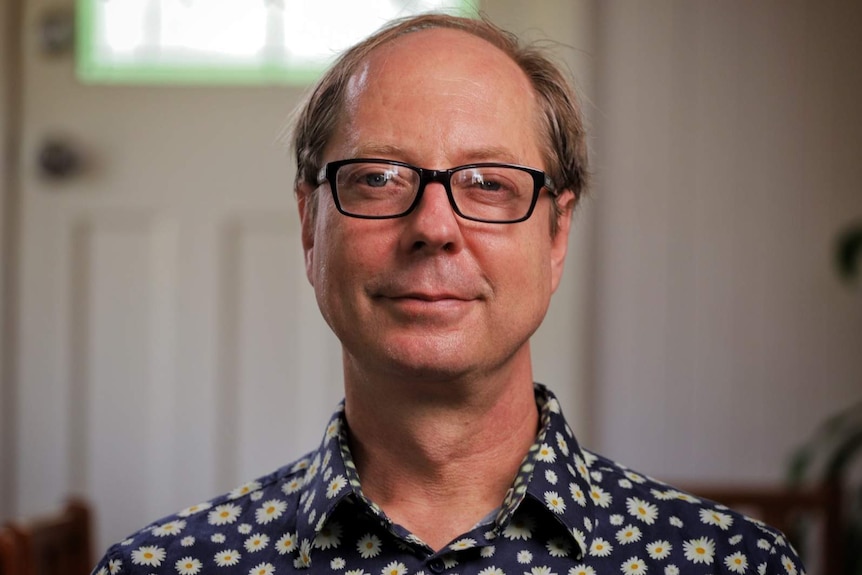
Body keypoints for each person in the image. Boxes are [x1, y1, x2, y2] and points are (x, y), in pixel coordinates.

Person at [92, 13, 805, 575]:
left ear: (557, 232)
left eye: (489, 183)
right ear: (311, 223)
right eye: (378, 177)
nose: (434, 227)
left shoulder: (730, 565)